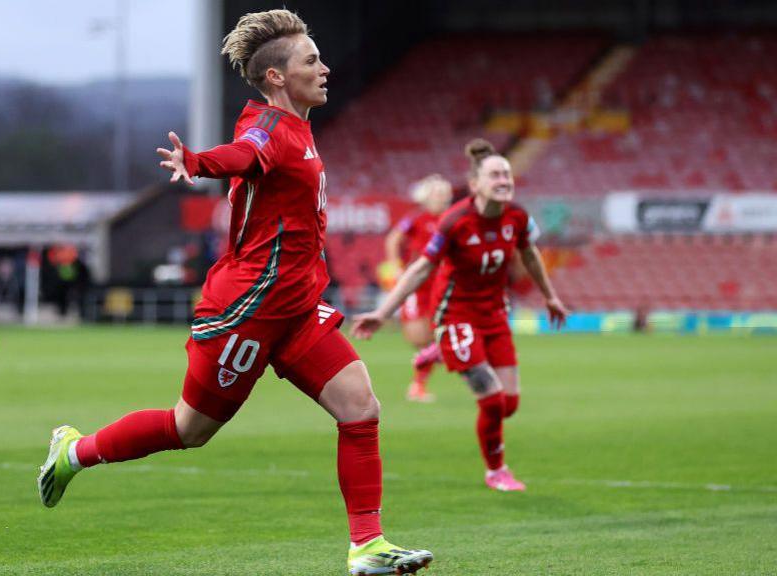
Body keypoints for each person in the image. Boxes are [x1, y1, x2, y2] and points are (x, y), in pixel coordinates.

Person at [37, 10, 432, 575]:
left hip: (296, 310)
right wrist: (197, 162)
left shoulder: (298, 127)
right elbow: (242, 155)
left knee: (361, 408)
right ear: (277, 77)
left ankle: (367, 547)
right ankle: (74, 451)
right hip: (244, 310)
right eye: (311, 61)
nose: (325, 68)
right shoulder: (268, 127)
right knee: (188, 429)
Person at [352, 139, 568, 492]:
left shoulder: (518, 217)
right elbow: (422, 268)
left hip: (495, 314)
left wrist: (550, 297)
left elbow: (529, 256)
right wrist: (382, 311)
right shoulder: (455, 221)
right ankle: (496, 470)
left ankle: (441, 354)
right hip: (456, 316)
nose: (503, 179)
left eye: (507, 174)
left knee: (508, 404)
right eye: (495, 174)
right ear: (475, 184)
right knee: (493, 400)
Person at [382, 175, 453, 402]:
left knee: (434, 337)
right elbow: (393, 239)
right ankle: (432, 361)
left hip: (442, 284)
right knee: (418, 338)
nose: (441, 197)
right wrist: (396, 267)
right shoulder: (417, 218)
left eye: (444, 193)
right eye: (436, 192)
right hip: (417, 284)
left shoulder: (452, 219)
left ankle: (418, 385)